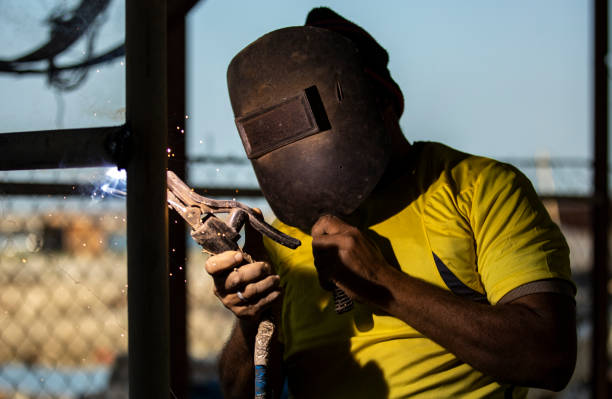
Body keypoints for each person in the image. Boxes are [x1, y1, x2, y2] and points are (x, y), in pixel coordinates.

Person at [205, 7, 576, 399]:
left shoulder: (479, 189)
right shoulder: (281, 241)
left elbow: (549, 355)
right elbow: (238, 392)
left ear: (381, 102)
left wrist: (383, 283)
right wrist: (252, 322)